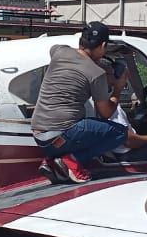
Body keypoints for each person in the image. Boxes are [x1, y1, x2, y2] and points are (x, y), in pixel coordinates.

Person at [30, 22, 128, 183]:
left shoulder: (59, 51)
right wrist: (118, 88)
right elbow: (106, 113)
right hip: (61, 135)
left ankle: (52, 161)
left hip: (40, 136)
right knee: (120, 133)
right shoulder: (96, 74)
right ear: (103, 45)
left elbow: (60, 52)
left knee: (77, 129)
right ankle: (72, 160)